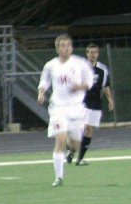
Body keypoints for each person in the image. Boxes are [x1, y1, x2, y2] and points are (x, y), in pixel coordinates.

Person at [37, 34, 93, 187]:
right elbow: (44, 82)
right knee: (60, 140)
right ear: (57, 48)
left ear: (72, 47)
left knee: (75, 144)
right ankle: (59, 177)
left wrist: (79, 87)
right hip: (58, 108)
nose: (65, 48)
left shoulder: (80, 63)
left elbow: (89, 82)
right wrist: (41, 93)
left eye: (68, 45)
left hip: (76, 109)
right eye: (62, 45)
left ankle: (71, 151)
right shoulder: (50, 65)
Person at [73, 43, 115, 165]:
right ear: (87, 54)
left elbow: (105, 86)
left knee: (90, 131)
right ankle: (71, 149)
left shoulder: (103, 69)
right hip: (82, 102)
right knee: (84, 128)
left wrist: (110, 99)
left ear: (98, 54)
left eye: (95, 52)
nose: (93, 55)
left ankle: (79, 159)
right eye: (90, 52)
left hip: (96, 103)